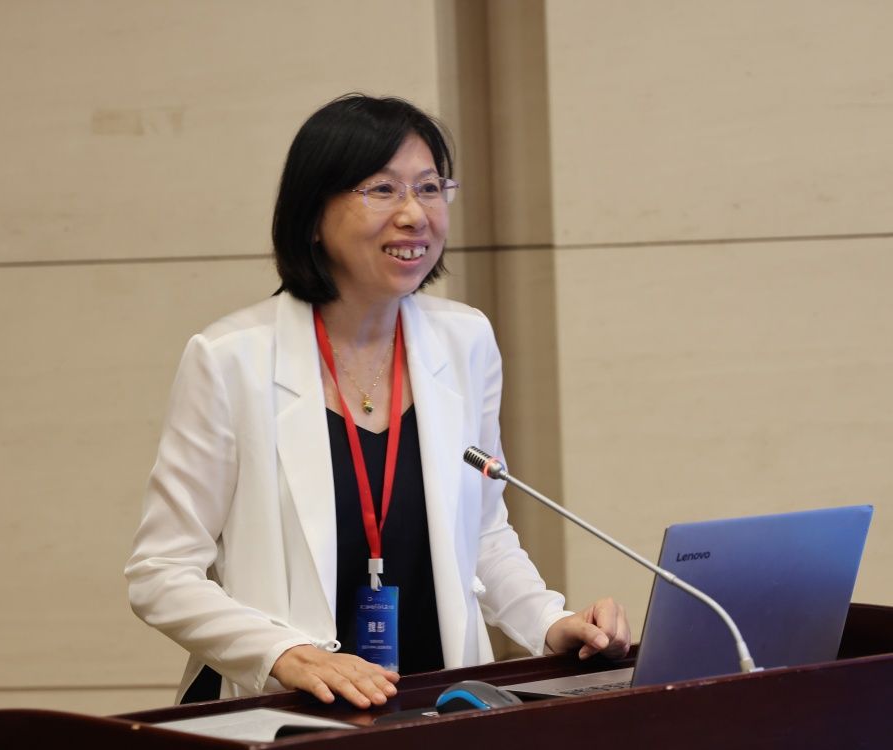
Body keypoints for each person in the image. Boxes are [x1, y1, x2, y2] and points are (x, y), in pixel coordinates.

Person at [125, 93, 630, 709]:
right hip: (283, 709)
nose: (415, 214)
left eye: (430, 188)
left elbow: (483, 536)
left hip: (435, 701)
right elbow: (160, 573)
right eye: (383, 190)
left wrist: (551, 622)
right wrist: (283, 653)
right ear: (314, 215)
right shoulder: (231, 359)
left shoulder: (465, 341)